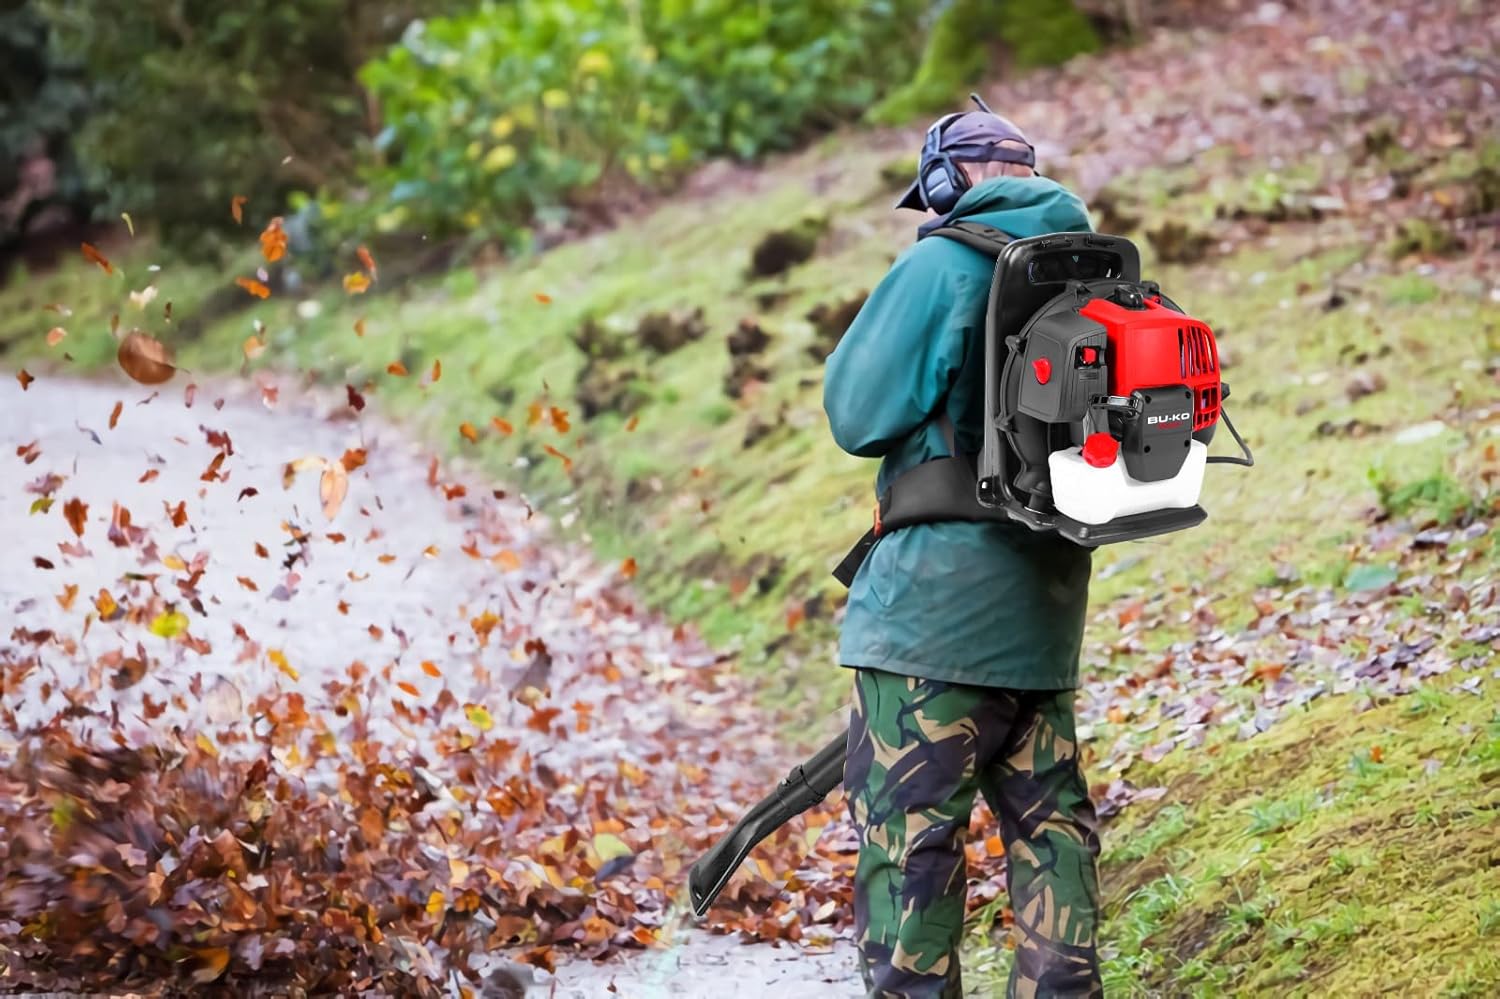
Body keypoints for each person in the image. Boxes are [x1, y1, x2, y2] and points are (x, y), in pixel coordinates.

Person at [822, 108, 1103, 999]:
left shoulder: (940, 262)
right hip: (1045, 611)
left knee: (911, 850)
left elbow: (855, 414)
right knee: (1053, 835)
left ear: (945, 181)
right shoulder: (1095, 272)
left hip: (928, 625)